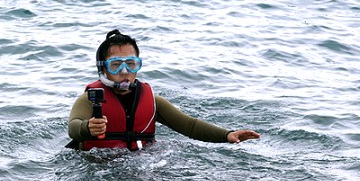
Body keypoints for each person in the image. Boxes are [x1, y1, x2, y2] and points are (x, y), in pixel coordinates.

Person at [67, 29, 260, 151]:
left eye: (131, 64)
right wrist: (87, 128)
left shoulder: (152, 101)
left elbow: (189, 126)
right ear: (103, 68)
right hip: (98, 168)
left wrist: (227, 135)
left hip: (141, 163)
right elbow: (73, 127)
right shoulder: (90, 100)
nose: (124, 72)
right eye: (116, 65)